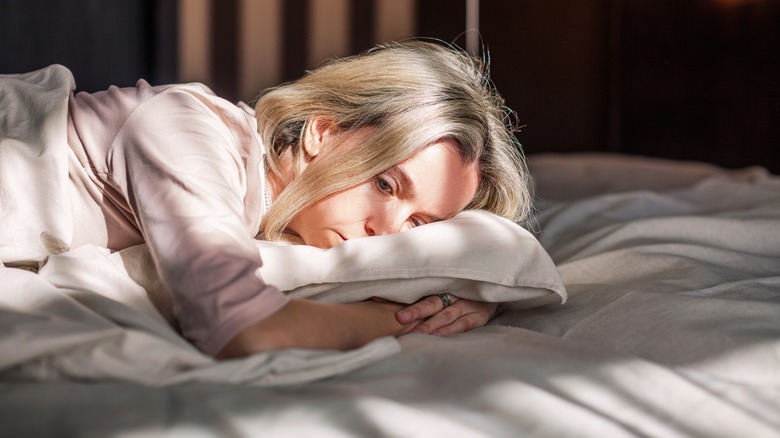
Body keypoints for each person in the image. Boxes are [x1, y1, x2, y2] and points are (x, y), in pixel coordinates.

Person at [0, 40, 532, 359]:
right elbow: (243, 331)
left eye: (419, 224)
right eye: (385, 184)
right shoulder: (187, 131)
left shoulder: (270, 216)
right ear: (322, 132)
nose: (387, 233)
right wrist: (419, 317)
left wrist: (464, 292)